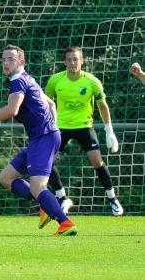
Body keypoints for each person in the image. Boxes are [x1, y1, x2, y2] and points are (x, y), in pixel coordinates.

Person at [0, 45, 77, 236]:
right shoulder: (28, 79)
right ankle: (46, 205)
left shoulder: (18, 81)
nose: (6, 63)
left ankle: (65, 223)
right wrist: (54, 130)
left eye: (10, 59)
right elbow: (51, 104)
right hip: (42, 138)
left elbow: (12, 110)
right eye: (3, 59)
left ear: (21, 61)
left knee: (38, 186)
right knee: (6, 178)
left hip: (43, 137)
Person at [45, 46, 123, 216]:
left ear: (82, 60)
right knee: (46, 160)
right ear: (64, 62)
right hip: (60, 127)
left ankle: (112, 199)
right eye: (69, 60)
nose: (72, 62)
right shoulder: (55, 81)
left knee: (97, 161)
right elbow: (46, 103)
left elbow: (102, 106)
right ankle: (62, 197)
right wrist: (47, 125)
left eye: (76, 59)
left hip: (84, 126)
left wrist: (109, 131)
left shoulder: (92, 81)